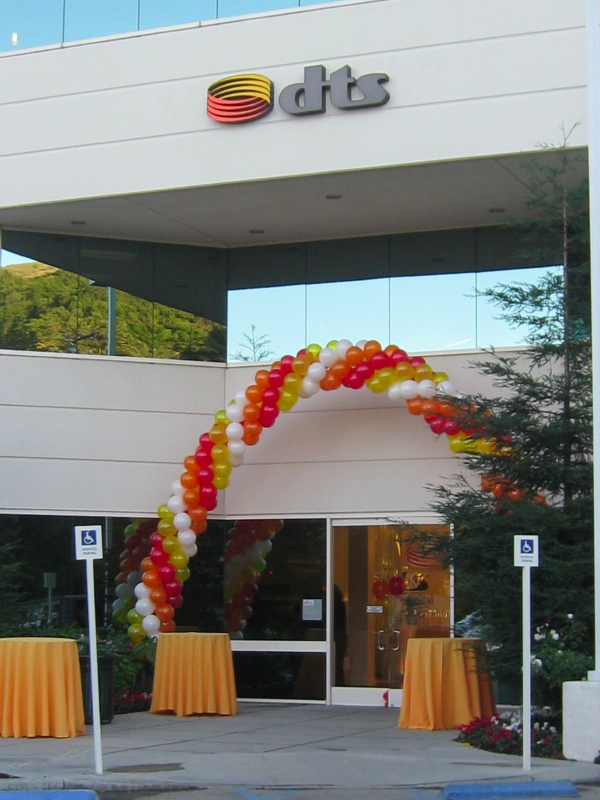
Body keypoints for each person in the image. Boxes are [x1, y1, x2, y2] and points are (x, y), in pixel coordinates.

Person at [333, 584, 348, 686]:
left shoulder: (335, 605)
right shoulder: (341, 604)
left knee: (336, 665)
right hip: (341, 637)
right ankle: (339, 685)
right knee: (338, 665)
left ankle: (338, 685)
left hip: (337, 637)